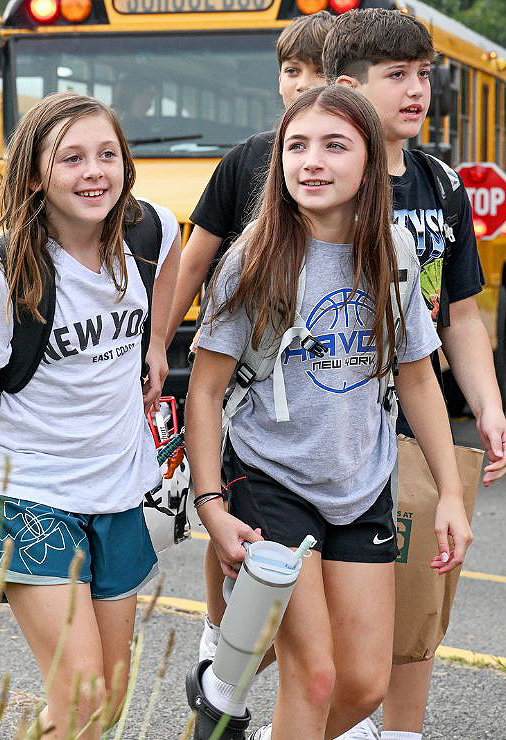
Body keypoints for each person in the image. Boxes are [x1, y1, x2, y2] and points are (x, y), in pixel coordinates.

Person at [185, 85, 471, 740]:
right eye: (297, 146)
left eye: (334, 145)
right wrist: (210, 506)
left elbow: (419, 379)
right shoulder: (251, 259)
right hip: (270, 480)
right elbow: (204, 392)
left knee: (363, 685)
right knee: (312, 679)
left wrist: (450, 495)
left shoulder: (393, 252)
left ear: (370, 163)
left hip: (360, 485)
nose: (311, 161)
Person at [0, 92, 180, 737]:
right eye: (72, 159)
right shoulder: (4, 277)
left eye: (107, 155)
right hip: (29, 491)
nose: (94, 172)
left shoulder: (145, 231)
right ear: (36, 174)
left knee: (103, 704)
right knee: (83, 697)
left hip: (117, 488)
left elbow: (172, 255)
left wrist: (157, 346)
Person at [323, 9, 506, 740]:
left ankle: (402, 731)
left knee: (421, 586)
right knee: (332, 600)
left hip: (415, 416)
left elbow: (458, 314)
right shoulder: (324, 178)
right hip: (329, 420)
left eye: (424, 75)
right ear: (348, 88)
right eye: (395, 75)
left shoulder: (440, 184)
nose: (416, 90)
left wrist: (488, 405)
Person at [165, 8, 335, 688]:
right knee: (230, 508)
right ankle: (216, 629)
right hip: (247, 376)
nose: (300, 85)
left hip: (328, 383)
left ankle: (247, 682)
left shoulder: (356, 168)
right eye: (290, 72)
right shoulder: (248, 161)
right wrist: (155, 347)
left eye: (318, 72)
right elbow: (194, 261)